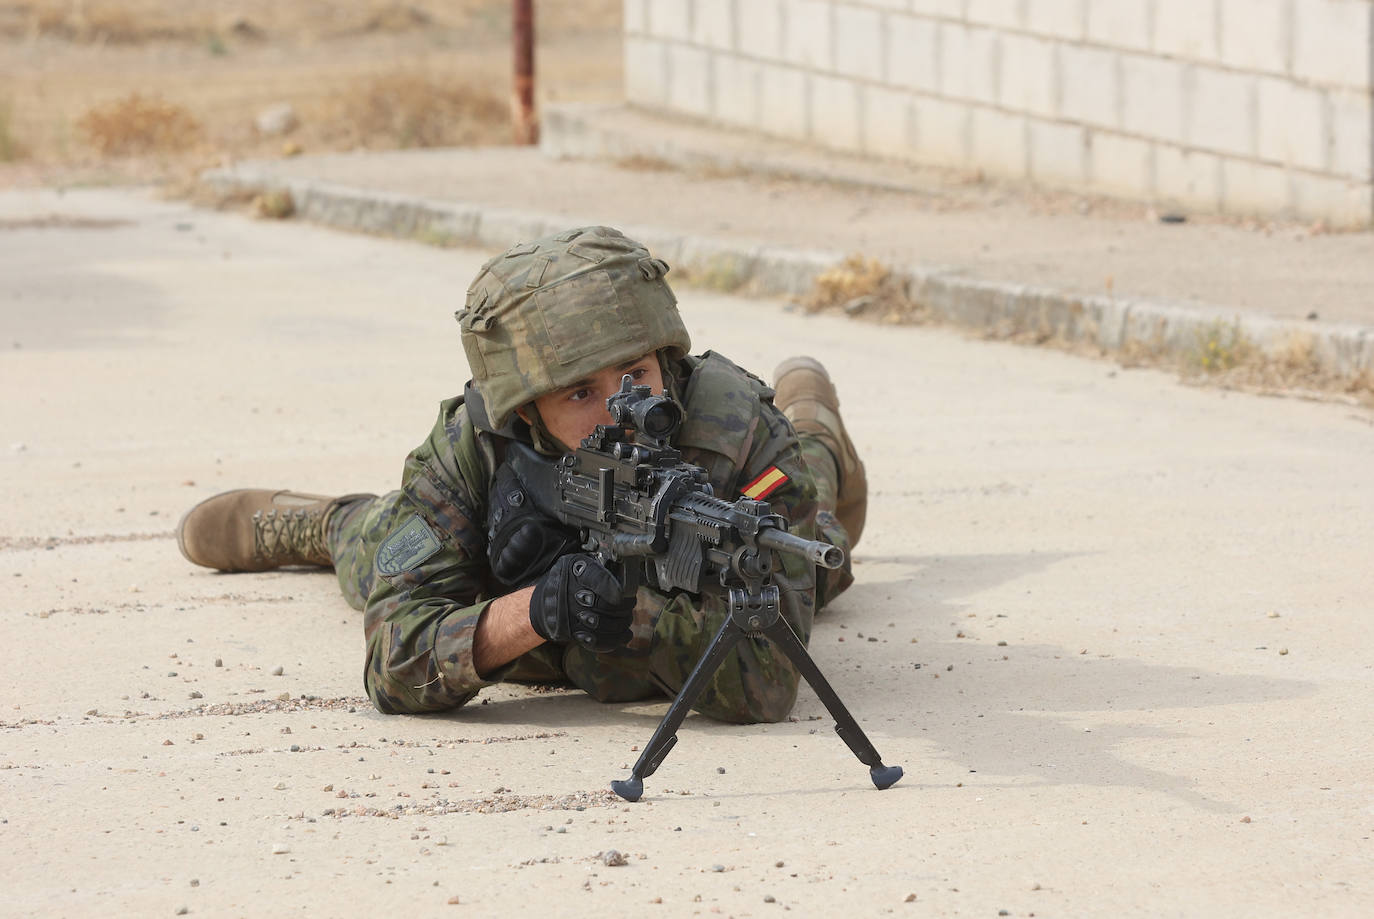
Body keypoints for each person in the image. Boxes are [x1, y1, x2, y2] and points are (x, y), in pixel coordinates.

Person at [176, 226, 867, 724]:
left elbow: (767, 685)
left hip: (708, 564)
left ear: (666, 357)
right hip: (512, 596)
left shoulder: (735, 430)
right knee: (376, 550)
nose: (619, 409)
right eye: (578, 393)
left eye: (637, 375)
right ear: (524, 408)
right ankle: (329, 522)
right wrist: (534, 610)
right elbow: (394, 658)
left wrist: (632, 617)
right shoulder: (475, 445)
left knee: (813, 541)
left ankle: (814, 421)